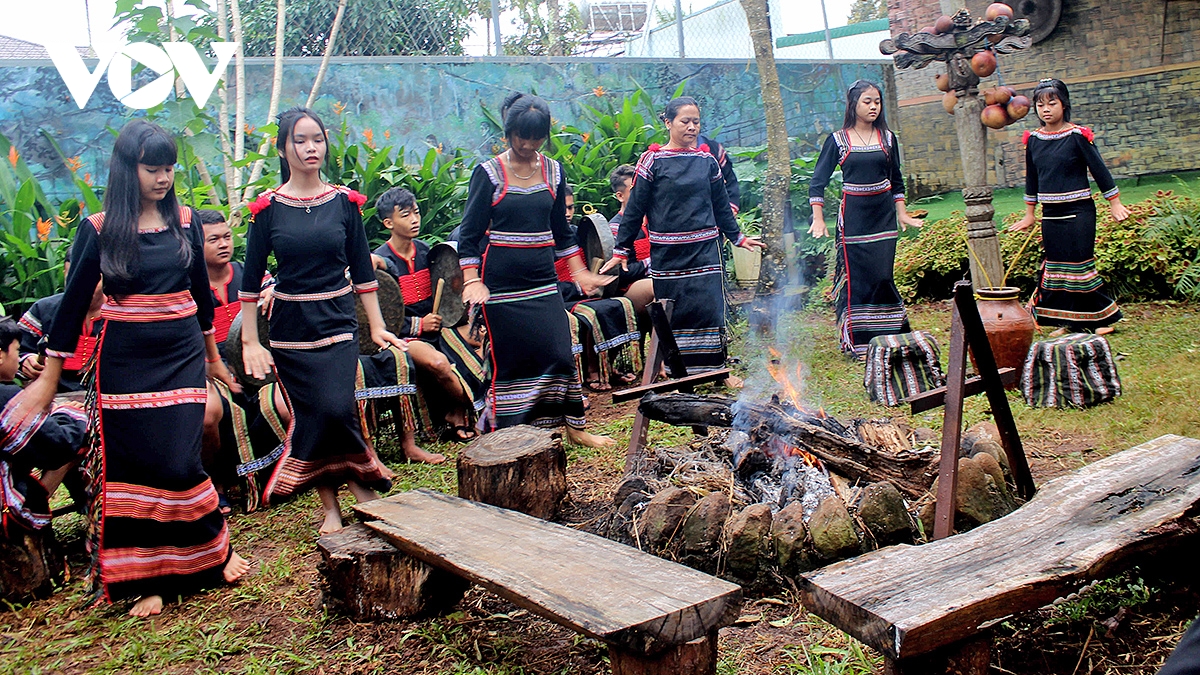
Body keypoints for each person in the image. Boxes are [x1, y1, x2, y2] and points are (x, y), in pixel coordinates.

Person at [4, 119, 250, 616]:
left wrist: (214, 360)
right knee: (137, 469)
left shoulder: (185, 220)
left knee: (179, 461)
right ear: (127, 169)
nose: (163, 177)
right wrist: (50, 379)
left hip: (181, 355)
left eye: (169, 168)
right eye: (151, 168)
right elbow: (72, 308)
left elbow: (202, 298)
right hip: (125, 362)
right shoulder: (98, 229)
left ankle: (213, 550)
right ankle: (150, 576)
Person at [240, 107, 406, 535]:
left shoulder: (344, 203)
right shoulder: (268, 210)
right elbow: (249, 277)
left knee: (338, 408)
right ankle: (333, 503)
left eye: (317, 138)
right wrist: (250, 342)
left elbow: (363, 272)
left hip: (336, 321)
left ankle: (362, 484)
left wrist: (375, 325)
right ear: (283, 148)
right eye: (300, 140)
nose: (311, 147)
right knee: (314, 415)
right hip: (292, 330)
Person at [458, 93, 614, 447]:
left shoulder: (554, 171)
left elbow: (562, 232)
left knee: (559, 353)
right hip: (500, 287)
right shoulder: (488, 174)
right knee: (510, 362)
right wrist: (472, 281)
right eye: (520, 137)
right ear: (508, 132)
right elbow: (468, 236)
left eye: (536, 137)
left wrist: (579, 273)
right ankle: (507, 435)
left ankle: (574, 428)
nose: (528, 145)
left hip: (543, 282)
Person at [602, 96, 765, 383]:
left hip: (705, 251)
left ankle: (717, 371)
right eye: (684, 121)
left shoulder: (707, 161)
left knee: (709, 309)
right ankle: (677, 373)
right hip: (668, 254)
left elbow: (721, 206)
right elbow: (635, 208)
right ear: (668, 122)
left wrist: (737, 237)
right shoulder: (652, 161)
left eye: (696, 122)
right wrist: (621, 250)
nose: (691, 127)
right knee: (673, 311)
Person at [808, 80, 923, 358]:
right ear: (853, 105)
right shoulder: (838, 140)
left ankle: (891, 334)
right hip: (854, 219)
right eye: (867, 101)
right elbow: (817, 183)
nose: (873, 106)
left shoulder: (888, 138)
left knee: (883, 276)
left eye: (877, 101)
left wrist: (903, 213)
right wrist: (818, 218)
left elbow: (896, 181)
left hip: (883, 219)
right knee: (858, 279)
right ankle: (859, 342)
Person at [1011, 78, 1128, 335]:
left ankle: (1100, 320)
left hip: (1079, 212)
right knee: (1058, 268)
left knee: (1079, 266)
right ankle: (1069, 321)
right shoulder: (1033, 140)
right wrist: (1029, 214)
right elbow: (1032, 179)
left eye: (1052, 103)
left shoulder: (1077, 136)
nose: (1046, 109)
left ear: (1064, 104)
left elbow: (1100, 171)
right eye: (1040, 105)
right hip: (1050, 215)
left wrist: (1115, 203)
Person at [372, 186, 482, 450]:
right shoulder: (380, 259)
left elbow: (448, 298)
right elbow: (375, 316)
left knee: (479, 355)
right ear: (388, 222)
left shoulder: (426, 252)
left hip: (438, 327)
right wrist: (418, 325)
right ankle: (465, 412)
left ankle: (457, 412)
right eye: (406, 215)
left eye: (417, 212)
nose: (415, 219)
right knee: (439, 363)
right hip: (403, 336)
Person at [0, 317, 88, 533]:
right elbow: (58, 445)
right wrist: (70, 412)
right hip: (5, 509)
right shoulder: (5, 399)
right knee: (72, 441)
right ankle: (27, 518)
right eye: (17, 352)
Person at [17, 249, 106, 392]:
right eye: (71, 278)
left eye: (88, 280)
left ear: (105, 277)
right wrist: (26, 360)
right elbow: (13, 353)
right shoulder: (42, 310)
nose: (78, 287)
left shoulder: (122, 315)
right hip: (51, 401)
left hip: (104, 404)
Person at [607, 164, 655, 313]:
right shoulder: (615, 228)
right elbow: (621, 274)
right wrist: (656, 261)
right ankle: (660, 338)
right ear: (620, 196)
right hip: (629, 289)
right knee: (663, 285)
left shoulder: (654, 220)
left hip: (656, 275)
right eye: (635, 190)